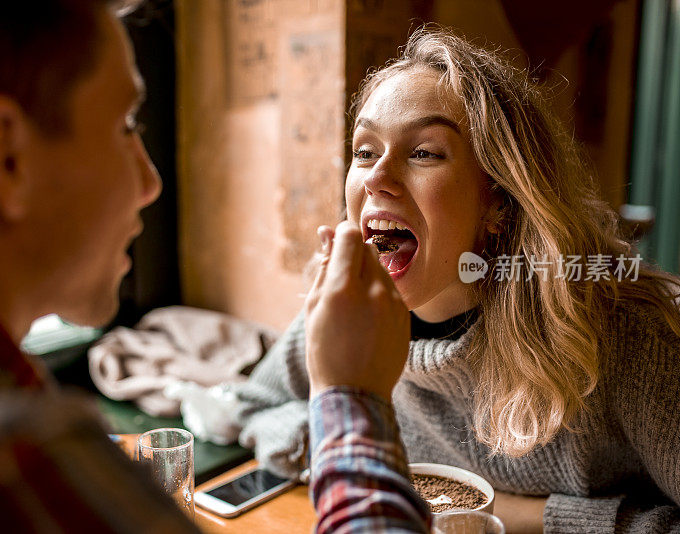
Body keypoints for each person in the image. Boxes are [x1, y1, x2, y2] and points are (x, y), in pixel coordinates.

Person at [0, 1, 432, 532]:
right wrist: (351, 399)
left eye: (426, 152)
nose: (151, 183)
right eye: (125, 126)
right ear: (7, 158)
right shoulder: (2, 465)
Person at [230, 26, 680, 533]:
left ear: (499, 203)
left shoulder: (627, 337)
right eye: (363, 150)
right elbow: (256, 405)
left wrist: (541, 518)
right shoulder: (352, 313)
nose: (377, 176)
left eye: (424, 152)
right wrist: (358, 452)